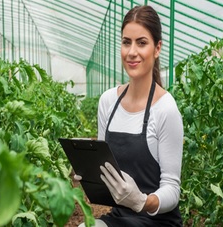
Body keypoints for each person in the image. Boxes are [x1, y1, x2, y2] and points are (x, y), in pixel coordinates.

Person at [77, 5, 184, 227]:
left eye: (141, 42)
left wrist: (143, 201)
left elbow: (172, 189)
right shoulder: (108, 102)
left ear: (157, 48)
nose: (132, 52)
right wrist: (89, 176)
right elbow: (105, 167)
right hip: (121, 217)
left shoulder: (165, 109)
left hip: (158, 222)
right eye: (126, 42)